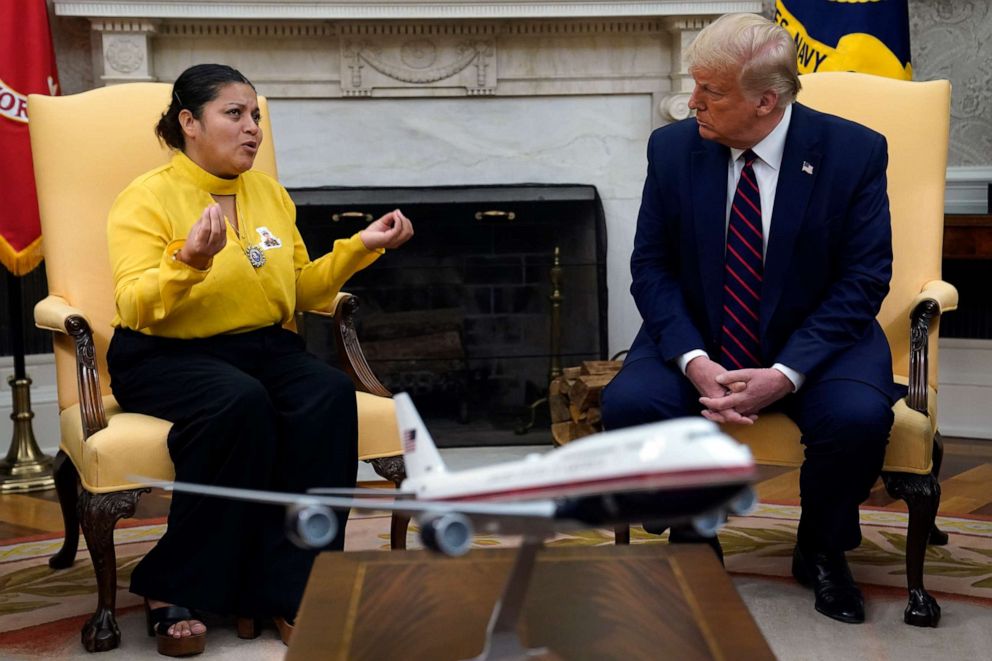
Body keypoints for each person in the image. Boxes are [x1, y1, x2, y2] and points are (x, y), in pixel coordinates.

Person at [601, 13, 900, 625]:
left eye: (710, 92)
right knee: (632, 405)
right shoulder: (674, 147)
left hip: (819, 336)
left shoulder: (853, 152)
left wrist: (787, 372)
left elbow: (863, 279)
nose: (693, 104)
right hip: (704, 333)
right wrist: (694, 360)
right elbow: (651, 267)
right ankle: (692, 537)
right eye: (695, 86)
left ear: (767, 100)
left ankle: (820, 547)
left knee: (857, 417)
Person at [105, 63, 413, 656]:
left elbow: (299, 291)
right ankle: (173, 586)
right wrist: (188, 261)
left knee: (325, 395)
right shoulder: (145, 198)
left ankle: (295, 587)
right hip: (165, 352)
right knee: (237, 404)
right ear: (189, 123)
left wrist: (359, 249)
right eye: (235, 114)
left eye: (256, 117)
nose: (252, 129)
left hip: (260, 346)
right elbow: (134, 305)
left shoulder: (269, 193)